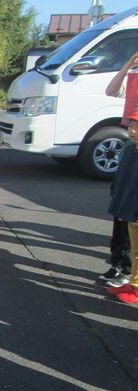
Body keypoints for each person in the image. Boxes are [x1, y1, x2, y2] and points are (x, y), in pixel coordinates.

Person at [101, 51, 138, 286]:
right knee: (121, 204)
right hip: (130, 141)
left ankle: (128, 269)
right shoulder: (134, 74)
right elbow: (111, 90)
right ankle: (118, 263)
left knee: (132, 209)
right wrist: (128, 64)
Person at [106, 111, 138, 304]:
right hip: (127, 207)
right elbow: (122, 179)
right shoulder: (130, 149)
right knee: (134, 249)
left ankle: (136, 286)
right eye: (131, 126)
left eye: (137, 127)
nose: (132, 131)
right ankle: (133, 283)